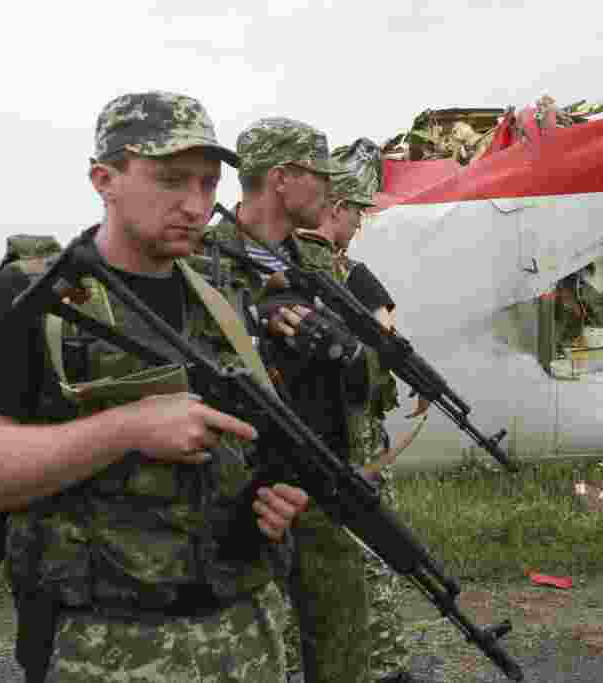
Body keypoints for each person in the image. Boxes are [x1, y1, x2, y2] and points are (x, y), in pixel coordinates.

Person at [0, 91, 310, 683]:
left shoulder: (221, 296)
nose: (196, 204)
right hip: (100, 647)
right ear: (105, 178)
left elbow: (252, 442)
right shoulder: (30, 298)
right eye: (172, 180)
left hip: (247, 632)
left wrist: (271, 500)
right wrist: (125, 428)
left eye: (207, 184)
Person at [205, 117, 390, 683]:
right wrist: (256, 325)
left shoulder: (318, 266)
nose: (332, 193)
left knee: (343, 645)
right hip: (240, 496)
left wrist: (350, 351)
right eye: (320, 177)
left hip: (322, 483)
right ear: (282, 179)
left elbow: (377, 376)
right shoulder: (201, 263)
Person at [293, 170, 425, 683]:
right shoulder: (349, 274)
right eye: (357, 214)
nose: (359, 224)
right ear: (337, 207)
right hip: (350, 437)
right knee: (371, 554)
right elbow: (388, 342)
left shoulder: (272, 262)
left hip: (296, 438)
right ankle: (385, 667)